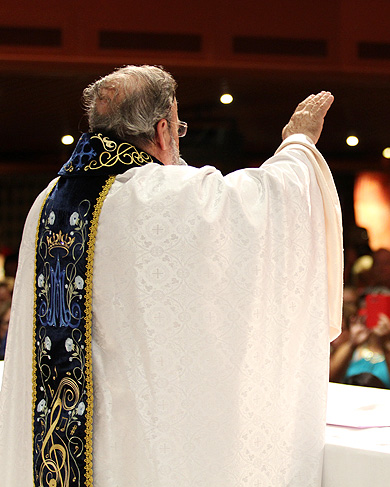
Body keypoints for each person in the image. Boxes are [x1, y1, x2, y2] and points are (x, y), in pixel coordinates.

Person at [0, 65, 343, 486]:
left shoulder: (46, 204)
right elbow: (268, 202)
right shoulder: (167, 195)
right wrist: (299, 142)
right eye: (178, 127)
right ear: (163, 130)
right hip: (134, 443)